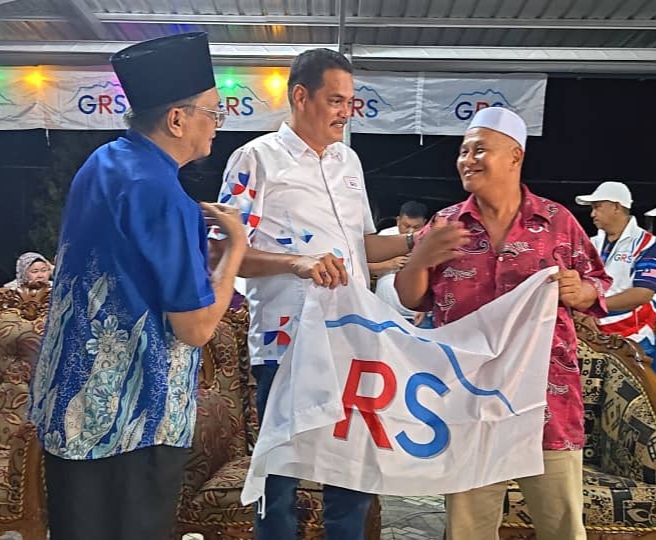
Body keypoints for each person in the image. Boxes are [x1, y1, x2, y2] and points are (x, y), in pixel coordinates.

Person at [208, 48, 467, 540]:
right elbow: (222, 254)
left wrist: (418, 241)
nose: (346, 112)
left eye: (350, 101)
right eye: (335, 100)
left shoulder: (349, 161)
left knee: (351, 471)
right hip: (286, 342)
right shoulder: (257, 159)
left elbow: (362, 245)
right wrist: (296, 263)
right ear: (300, 96)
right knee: (280, 477)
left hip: (351, 340)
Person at [28, 32, 247, 540]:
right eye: (213, 112)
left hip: (72, 404)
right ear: (177, 119)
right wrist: (234, 248)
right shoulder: (164, 194)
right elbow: (195, 328)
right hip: (135, 420)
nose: (218, 124)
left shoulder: (103, 162)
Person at [395, 107, 611, 540]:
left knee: (562, 527)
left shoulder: (557, 222)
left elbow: (597, 282)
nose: (467, 159)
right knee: (468, 530)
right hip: (469, 400)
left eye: (480, 150)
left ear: (515, 156)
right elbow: (412, 298)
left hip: (546, 405)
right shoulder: (446, 224)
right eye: (463, 151)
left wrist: (581, 291)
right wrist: (419, 259)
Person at [575, 182, 656, 359]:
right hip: (591, 338)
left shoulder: (647, 244)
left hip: (634, 339)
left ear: (616, 207)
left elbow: (643, 293)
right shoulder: (591, 243)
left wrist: (594, 306)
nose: (592, 214)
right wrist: (579, 311)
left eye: (597, 207)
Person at [368, 201, 431, 326]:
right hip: (385, 313)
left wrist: (425, 308)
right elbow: (364, 267)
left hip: (418, 315)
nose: (410, 231)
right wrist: (389, 264)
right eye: (406, 226)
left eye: (416, 227)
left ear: (425, 223)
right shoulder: (384, 237)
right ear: (398, 220)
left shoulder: (431, 240)